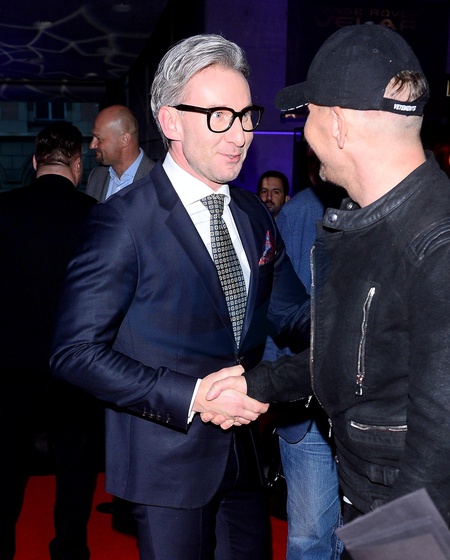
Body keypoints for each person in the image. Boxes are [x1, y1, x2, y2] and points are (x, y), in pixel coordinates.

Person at [50, 34, 310, 560]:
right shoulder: (122, 222)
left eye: (246, 115)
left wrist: (374, 323)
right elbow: (74, 352)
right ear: (170, 122)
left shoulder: (253, 214)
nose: (240, 134)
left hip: (245, 452)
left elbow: (293, 313)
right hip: (165, 460)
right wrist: (193, 396)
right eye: (219, 116)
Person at [206, 21, 450, 545]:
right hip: (371, 504)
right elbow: (351, 355)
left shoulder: (436, 242)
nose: (305, 132)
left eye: (309, 115)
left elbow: (439, 445)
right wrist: (256, 383)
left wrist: (394, 546)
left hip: (404, 526)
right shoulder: (372, 220)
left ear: (337, 124)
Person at [0, 122, 101, 560]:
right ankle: (69, 551)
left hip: (10, 364)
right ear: (77, 164)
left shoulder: (4, 209)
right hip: (74, 365)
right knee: (75, 469)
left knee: (5, 467)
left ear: (35, 161)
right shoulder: (96, 215)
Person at [263, 159, 345, 559]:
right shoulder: (297, 214)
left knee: (364, 536)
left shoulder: (383, 205)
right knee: (311, 535)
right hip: (306, 405)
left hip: (366, 411)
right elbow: (274, 305)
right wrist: (271, 390)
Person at [86, 104, 155, 201]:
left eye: (99, 139)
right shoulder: (96, 176)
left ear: (124, 140)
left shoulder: (158, 179)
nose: (92, 145)